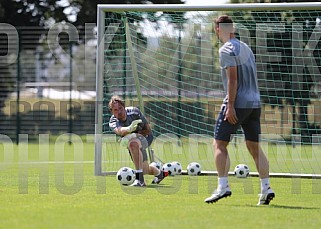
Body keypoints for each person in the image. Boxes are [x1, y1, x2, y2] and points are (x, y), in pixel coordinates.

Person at [204, 15, 275, 205]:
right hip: (254, 104)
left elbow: (233, 79)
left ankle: (223, 186)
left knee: (219, 144)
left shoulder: (226, 49)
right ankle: (266, 188)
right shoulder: (246, 48)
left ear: (219, 29)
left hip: (239, 103)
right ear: (233, 28)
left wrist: (230, 105)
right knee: (254, 147)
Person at [108, 95, 168, 187]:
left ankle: (140, 181)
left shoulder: (134, 112)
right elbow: (119, 131)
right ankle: (160, 173)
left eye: (120, 108)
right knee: (144, 170)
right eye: (115, 110)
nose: (119, 111)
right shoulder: (113, 121)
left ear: (124, 107)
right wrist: (129, 128)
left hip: (146, 137)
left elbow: (148, 130)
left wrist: (134, 135)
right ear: (112, 112)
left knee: (133, 144)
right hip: (133, 141)